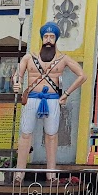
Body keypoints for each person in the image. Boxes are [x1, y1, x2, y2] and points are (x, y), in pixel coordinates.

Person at [13, 22, 86, 176]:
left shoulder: (63, 59)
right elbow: (17, 75)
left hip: (52, 99)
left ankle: (51, 172)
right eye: (45, 36)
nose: (48, 40)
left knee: (52, 136)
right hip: (32, 98)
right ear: (42, 38)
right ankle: (19, 172)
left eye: (51, 37)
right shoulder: (29, 57)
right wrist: (16, 83)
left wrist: (66, 94)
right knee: (25, 134)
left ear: (56, 39)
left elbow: (82, 75)